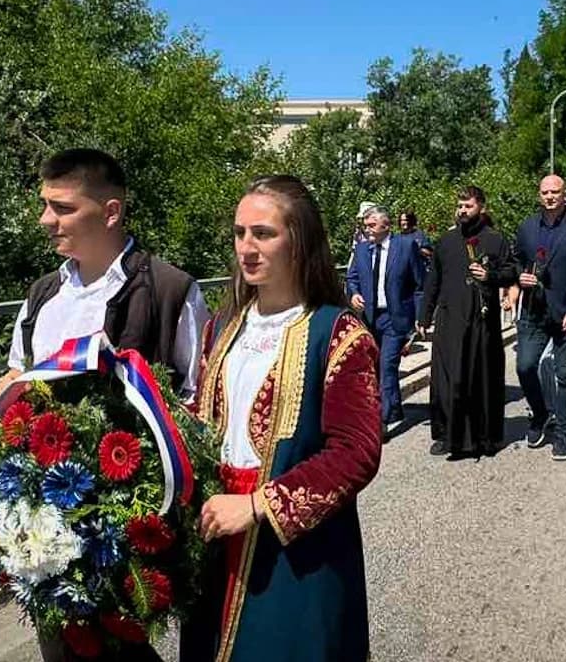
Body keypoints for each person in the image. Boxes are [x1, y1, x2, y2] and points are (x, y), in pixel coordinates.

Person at [188, 175, 382, 661]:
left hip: (296, 553)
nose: (247, 247)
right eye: (239, 233)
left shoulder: (338, 334)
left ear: (299, 240)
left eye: (263, 233)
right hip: (216, 532)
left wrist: (257, 505)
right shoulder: (222, 327)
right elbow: (203, 423)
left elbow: (355, 452)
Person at [0, 148, 209, 402]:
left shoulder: (170, 291)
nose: (45, 220)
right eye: (45, 205)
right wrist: (4, 393)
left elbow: (200, 393)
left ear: (111, 213)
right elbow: (17, 372)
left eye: (62, 208)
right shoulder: (41, 294)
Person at [420, 185, 517, 458]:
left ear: (481, 208)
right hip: (450, 320)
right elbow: (433, 281)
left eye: (468, 206)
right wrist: (424, 314)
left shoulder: (495, 240)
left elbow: (511, 271)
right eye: (460, 206)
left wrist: (490, 276)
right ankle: (447, 435)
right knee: (448, 379)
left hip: (481, 322)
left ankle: (484, 438)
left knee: (480, 378)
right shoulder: (446, 242)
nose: (462, 211)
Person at [514, 175, 566, 461]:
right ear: (539, 195)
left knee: (564, 374)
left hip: (565, 313)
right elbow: (516, 259)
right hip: (533, 311)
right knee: (524, 366)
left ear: (565, 194)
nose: (550, 196)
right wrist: (518, 275)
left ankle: (563, 433)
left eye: (555, 192)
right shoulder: (526, 227)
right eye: (545, 192)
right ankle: (540, 414)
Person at [346, 206, 427, 437]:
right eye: (365, 225)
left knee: (388, 366)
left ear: (386, 225)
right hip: (371, 319)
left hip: (396, 318)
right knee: (373, 368)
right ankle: (392, 409)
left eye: (371, 224)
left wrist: (418, 321)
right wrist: (353, 294)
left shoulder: (405, 246)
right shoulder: (361, 249)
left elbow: (420, 283)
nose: (367, 229)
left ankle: (380, 422)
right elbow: (352, 277)